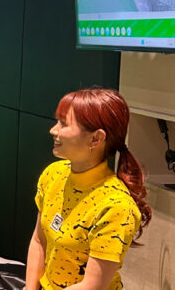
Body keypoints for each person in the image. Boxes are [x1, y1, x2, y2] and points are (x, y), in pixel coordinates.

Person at [25, 88, 152, 290]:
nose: (53, 130)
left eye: (64, 124)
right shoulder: (53, 174)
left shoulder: (116, 206)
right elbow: (39, 241)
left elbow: (92, 286)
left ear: (96, 139)